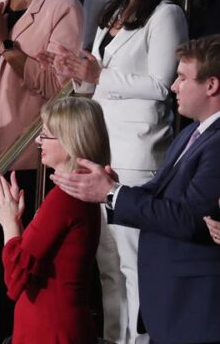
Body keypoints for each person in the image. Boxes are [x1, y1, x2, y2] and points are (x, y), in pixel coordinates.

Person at [50, 34, 220, 343]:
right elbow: (156, 190)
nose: (173, 87)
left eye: (182, 78)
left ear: (211, 85)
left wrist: (112, 194)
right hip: (169, 303)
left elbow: (189, 219)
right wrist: (113, 187)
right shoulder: (193, 132)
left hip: (193, 307)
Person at [49, 0, 188, 342]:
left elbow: (162, 86)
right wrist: (75, 72)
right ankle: (114, 337)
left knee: (134, 263)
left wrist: (100, 73)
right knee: (107, 264)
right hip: (102, 147)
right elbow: (94, 82)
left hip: (138, 153)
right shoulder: (113, 10)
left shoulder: (166, 14)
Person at [0, 0, 83, 336]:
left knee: (17, 256)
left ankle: (16, 333)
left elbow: (60, 86)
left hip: (27, 150)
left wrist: (4, 44)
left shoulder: (64, 6)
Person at [0, 97, 110, 343]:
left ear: (71, 140)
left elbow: (15, 277)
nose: (38, 141)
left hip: (50, 330)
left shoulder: (66, 197)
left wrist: (8, 222)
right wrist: (16, 222)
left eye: (46, 134)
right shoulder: (77, 191)